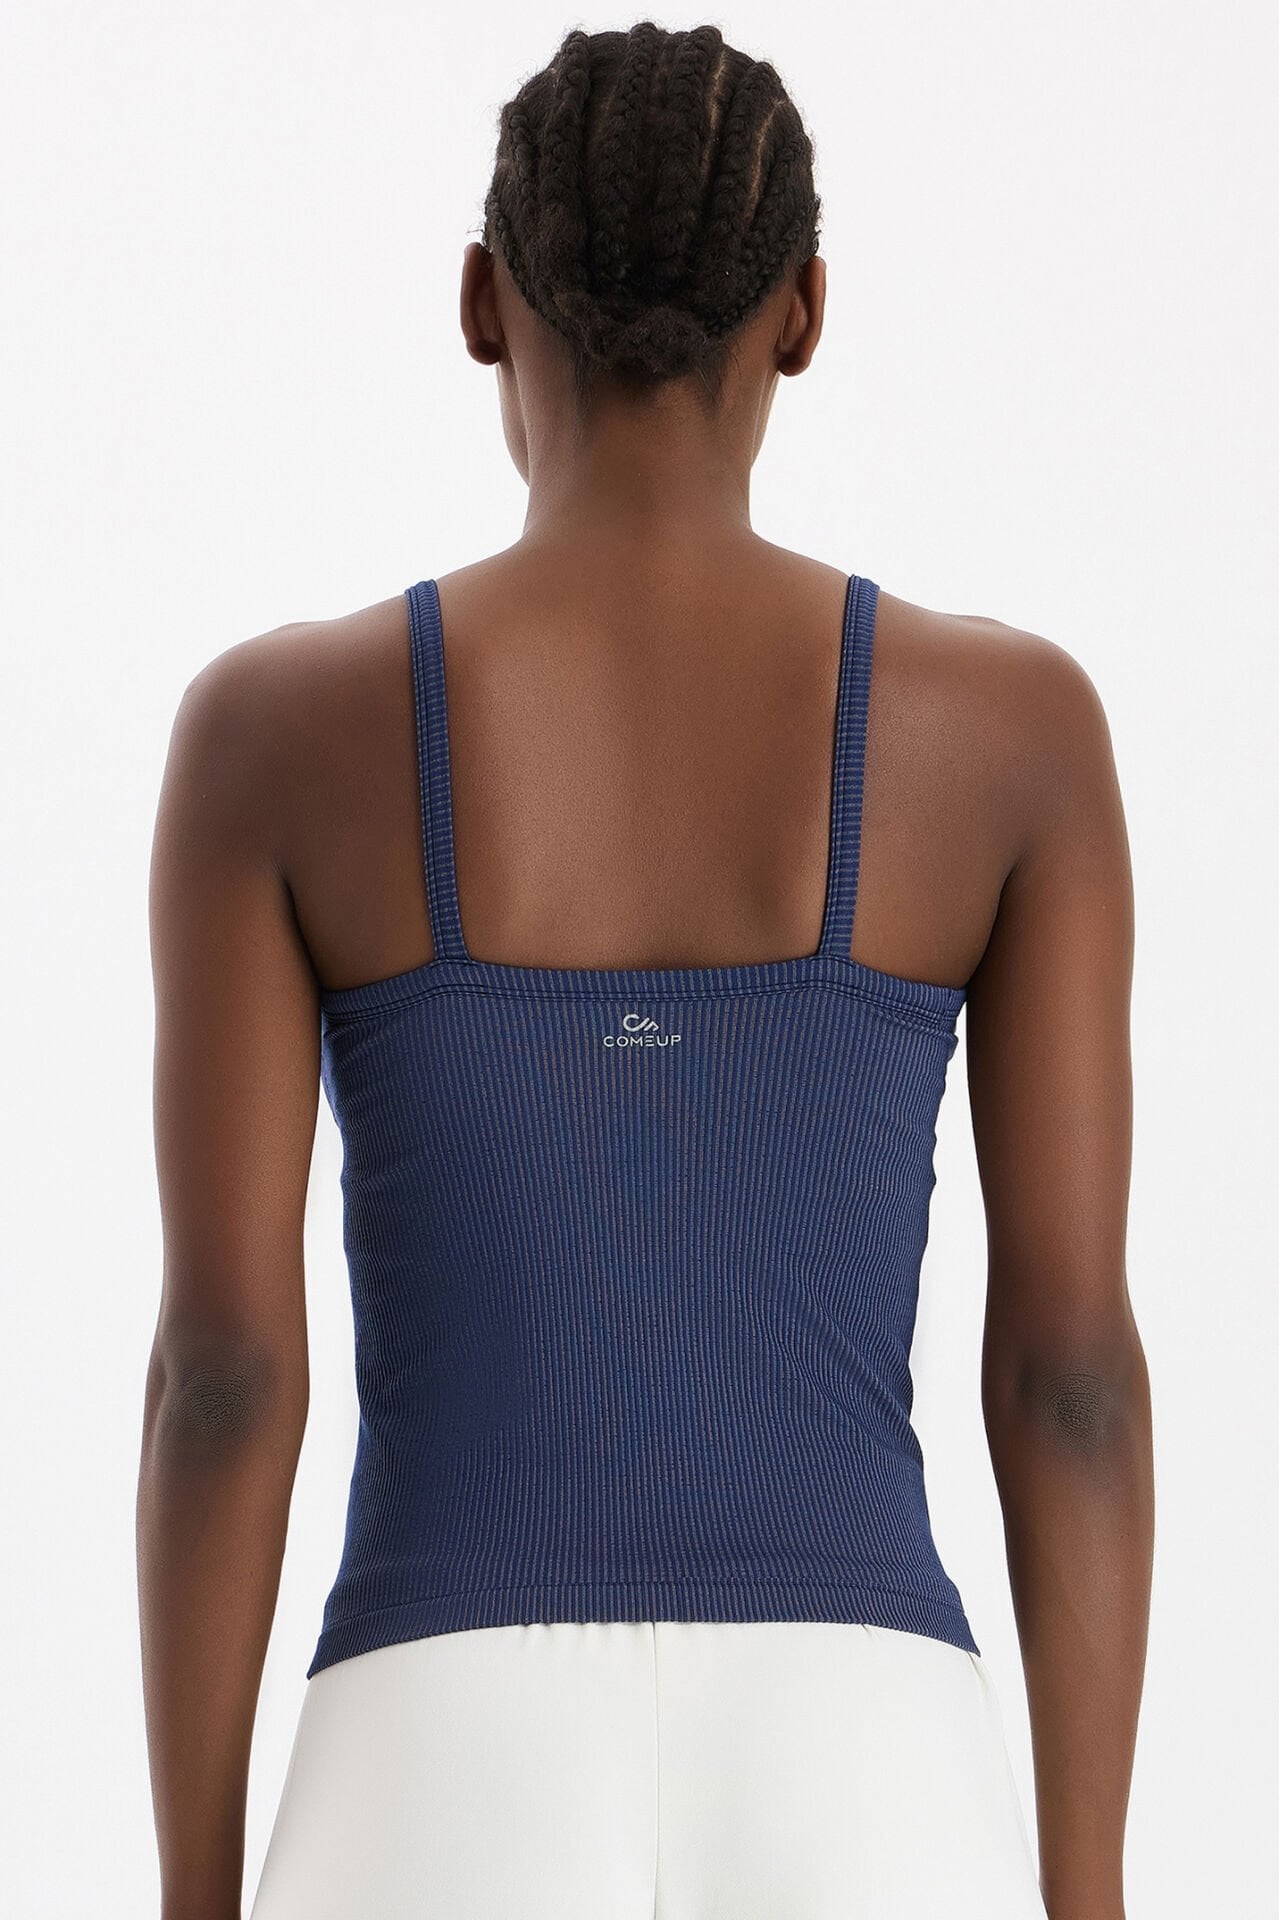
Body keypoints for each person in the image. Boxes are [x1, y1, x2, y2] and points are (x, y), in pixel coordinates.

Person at [137, 21, 1153, 1920]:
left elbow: (225, 1377)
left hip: (434, 1758)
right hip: (871, 1762)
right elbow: (1072, 1375)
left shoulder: (277, 736)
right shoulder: (1007, 733)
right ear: (804, 314)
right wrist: (1085, 1890)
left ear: (478, 302)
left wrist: (196, 1894)